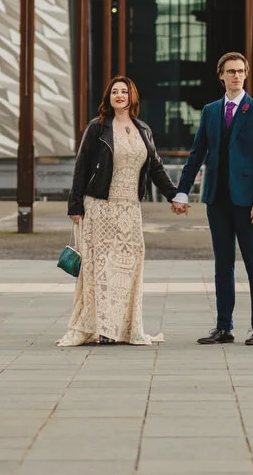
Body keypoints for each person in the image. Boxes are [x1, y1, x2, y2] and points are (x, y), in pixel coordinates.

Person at [58, 76, 179, 346]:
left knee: (128, 267)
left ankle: (125, 327)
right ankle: (103, 329)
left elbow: (156, 167)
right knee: (101, 268)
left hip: (130, 209)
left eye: (124, 91)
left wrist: (175, 195)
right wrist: (74, 205)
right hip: (100, 206)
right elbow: (81, 166)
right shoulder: (97, 127)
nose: (120, 95)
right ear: (109, 97)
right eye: (115, 91)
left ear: (132, 96)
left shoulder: (143, 129)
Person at [171, 52, 253, 346]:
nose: (236, 76)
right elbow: (196, 154)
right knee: (223, 265)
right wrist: (182, 192)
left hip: (248, 201)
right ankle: (224, 327)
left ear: (246, 74)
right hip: (217, 199)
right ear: (221, 75)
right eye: (231, 71)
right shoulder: (211, 111)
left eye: (240, 71)